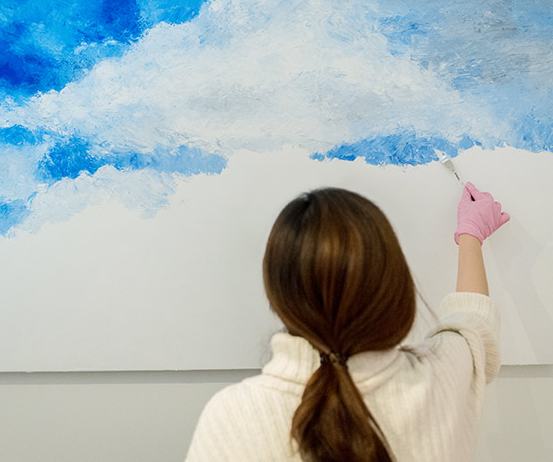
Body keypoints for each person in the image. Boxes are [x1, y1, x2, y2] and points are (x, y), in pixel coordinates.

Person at [185, 183, 510, 462]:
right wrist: (471, 236)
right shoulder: (442, 377)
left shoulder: (233, 416)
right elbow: (474, 320)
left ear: (278, 293)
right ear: (396, 287)